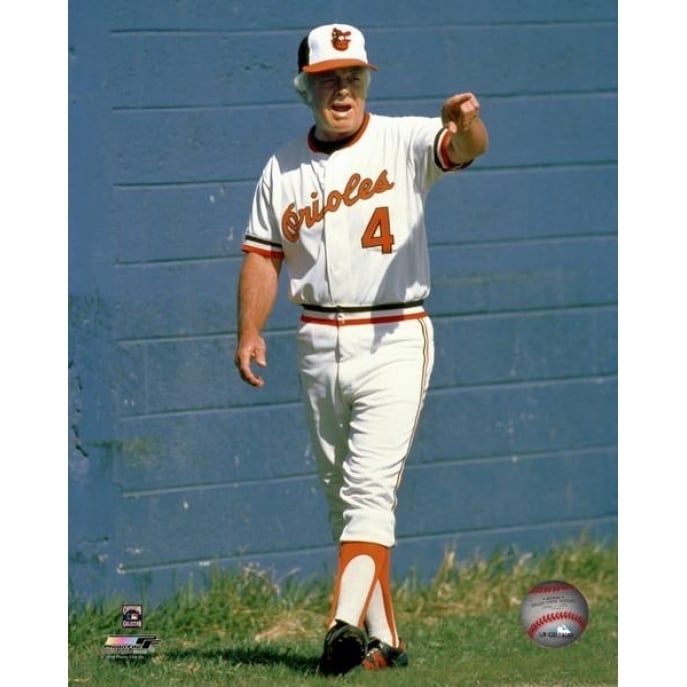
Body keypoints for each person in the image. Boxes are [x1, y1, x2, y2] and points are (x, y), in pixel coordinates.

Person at [234, 23, 488, 676]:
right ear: (306, 88)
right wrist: (249, 329)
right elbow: (263, 255)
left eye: (351, 76)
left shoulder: (403, 140)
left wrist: (464, 123)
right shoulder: (281, 165)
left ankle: (339, 625)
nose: (340, 89)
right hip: (316, 338)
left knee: (368, 489)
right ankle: (385, 639)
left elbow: (466, 149)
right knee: (338, 496)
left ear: (366, 81)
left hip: (394, 331)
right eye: (327, 79)